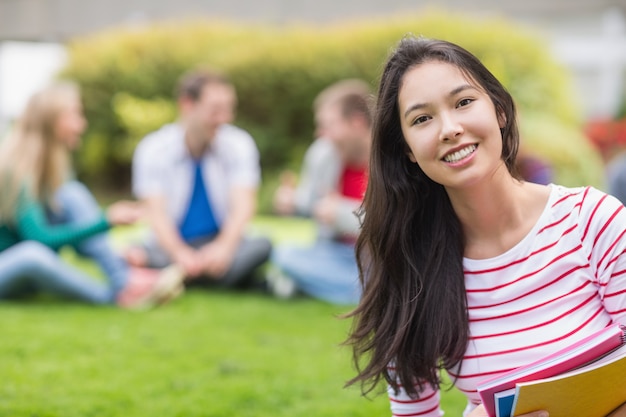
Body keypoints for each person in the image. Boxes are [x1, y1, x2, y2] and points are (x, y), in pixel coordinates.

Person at [344, 37, 626, 417]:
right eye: (422, 119)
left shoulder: (592, 221)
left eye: (463, 102)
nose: (450, 128)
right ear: (408, 150)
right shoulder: (410, 263)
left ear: (501, 112)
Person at [0, 82, 184, 308]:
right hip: (9, 268)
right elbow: (38, 239)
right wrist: (105, 221)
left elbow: (79, 244)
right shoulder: (15, 170)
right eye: (76, 115)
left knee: (72, 194)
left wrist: (117, 254)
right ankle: (116, 296)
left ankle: (123, 278)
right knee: (32, 254)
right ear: (52, 119)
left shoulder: (53, 173)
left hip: (27, 274)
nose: (82, 124)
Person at [128, 68, 271, 289]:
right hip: (170, 244)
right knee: (134, 252)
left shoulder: (239, 144)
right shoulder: (153, 149)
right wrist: (180, 254)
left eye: (228, 110)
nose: (224, 118)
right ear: (187, 104)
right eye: (215, 110)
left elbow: (243, 206)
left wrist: (223, 248)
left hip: (220, 243)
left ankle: (180, 278)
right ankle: (226, 280)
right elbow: (156, 215)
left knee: (262, 245)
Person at [269, 79, 372, 304]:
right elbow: (314, 205)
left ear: (357, 122)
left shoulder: (391, 162)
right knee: (285, 253)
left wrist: (341, 213)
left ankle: (309, 285)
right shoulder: (323, 155)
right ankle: (365, 293)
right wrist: (293, 203)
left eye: (328, 126)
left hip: (378, 258)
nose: (320, 134)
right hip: (335, 253)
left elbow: (391, 224)